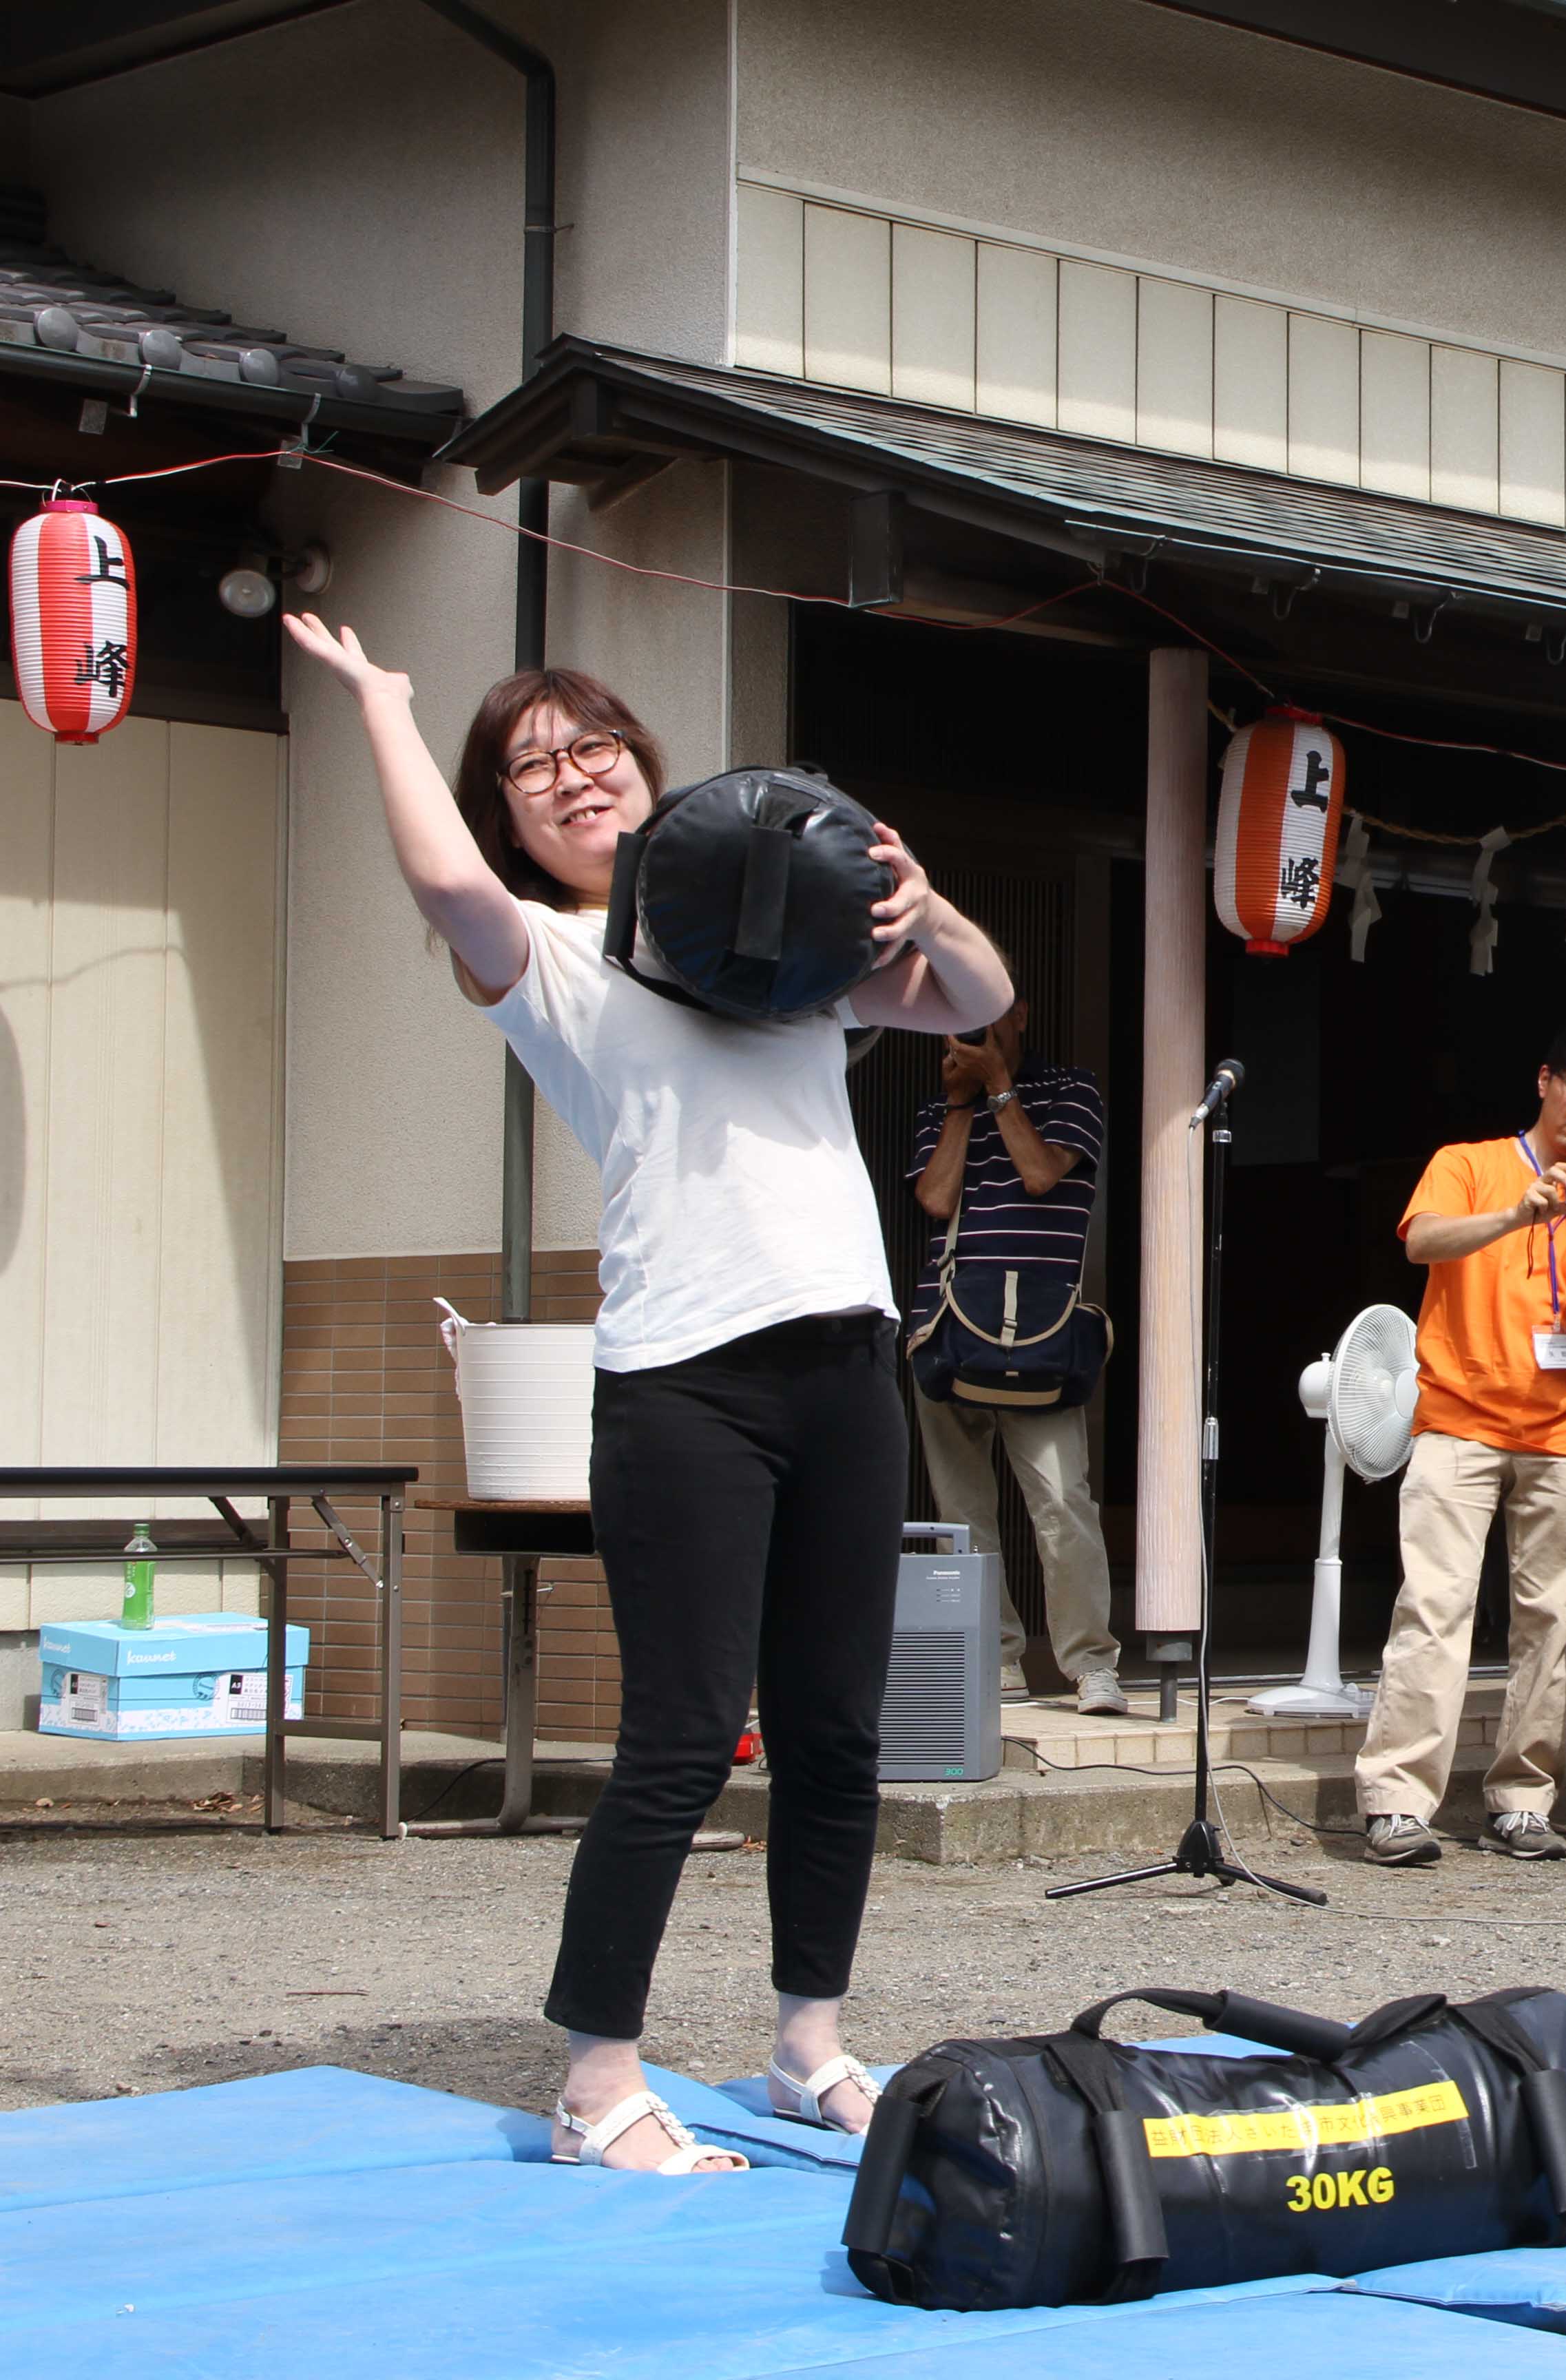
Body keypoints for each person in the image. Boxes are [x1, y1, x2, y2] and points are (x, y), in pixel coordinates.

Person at [286, 616, 1012, 2170]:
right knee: (684, 1738)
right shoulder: (544, 956)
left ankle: (808, 2046)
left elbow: (970, 1000)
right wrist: (382, 703)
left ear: (644, 766)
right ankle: (597, 2082)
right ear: (513, 811)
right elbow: (440, 885)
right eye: (532, 767)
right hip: (684, 1388)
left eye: (590, 745)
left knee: (835, 1737)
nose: (570, 775)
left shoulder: (786, 949)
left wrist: (927, 900)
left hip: (845, 1369)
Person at [1355, 1019, 1566, 1865]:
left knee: (1551, 1622)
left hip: (1561, 1426)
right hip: (1459, 1417)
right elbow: (1421, 1240)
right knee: (1435, 1607)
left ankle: (1522, 1802)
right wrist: (1517, 1211)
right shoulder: (1468, 1162)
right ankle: (1398, 1802)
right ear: (1546, 1081)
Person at [907, 994, 1122, 1713]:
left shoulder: (1072, 1090)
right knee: (961, 1510)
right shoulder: (938, 1109)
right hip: (946, 1329)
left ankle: (1091, 1663)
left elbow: (1041, 1174)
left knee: (1063, 1501)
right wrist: (963, 1104)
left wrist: (1000, 1088)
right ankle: (990, 1658)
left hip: (1042, 1334)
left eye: (986, 1016)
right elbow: (936, 1199)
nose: (971, 1032)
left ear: (1022, 1015)